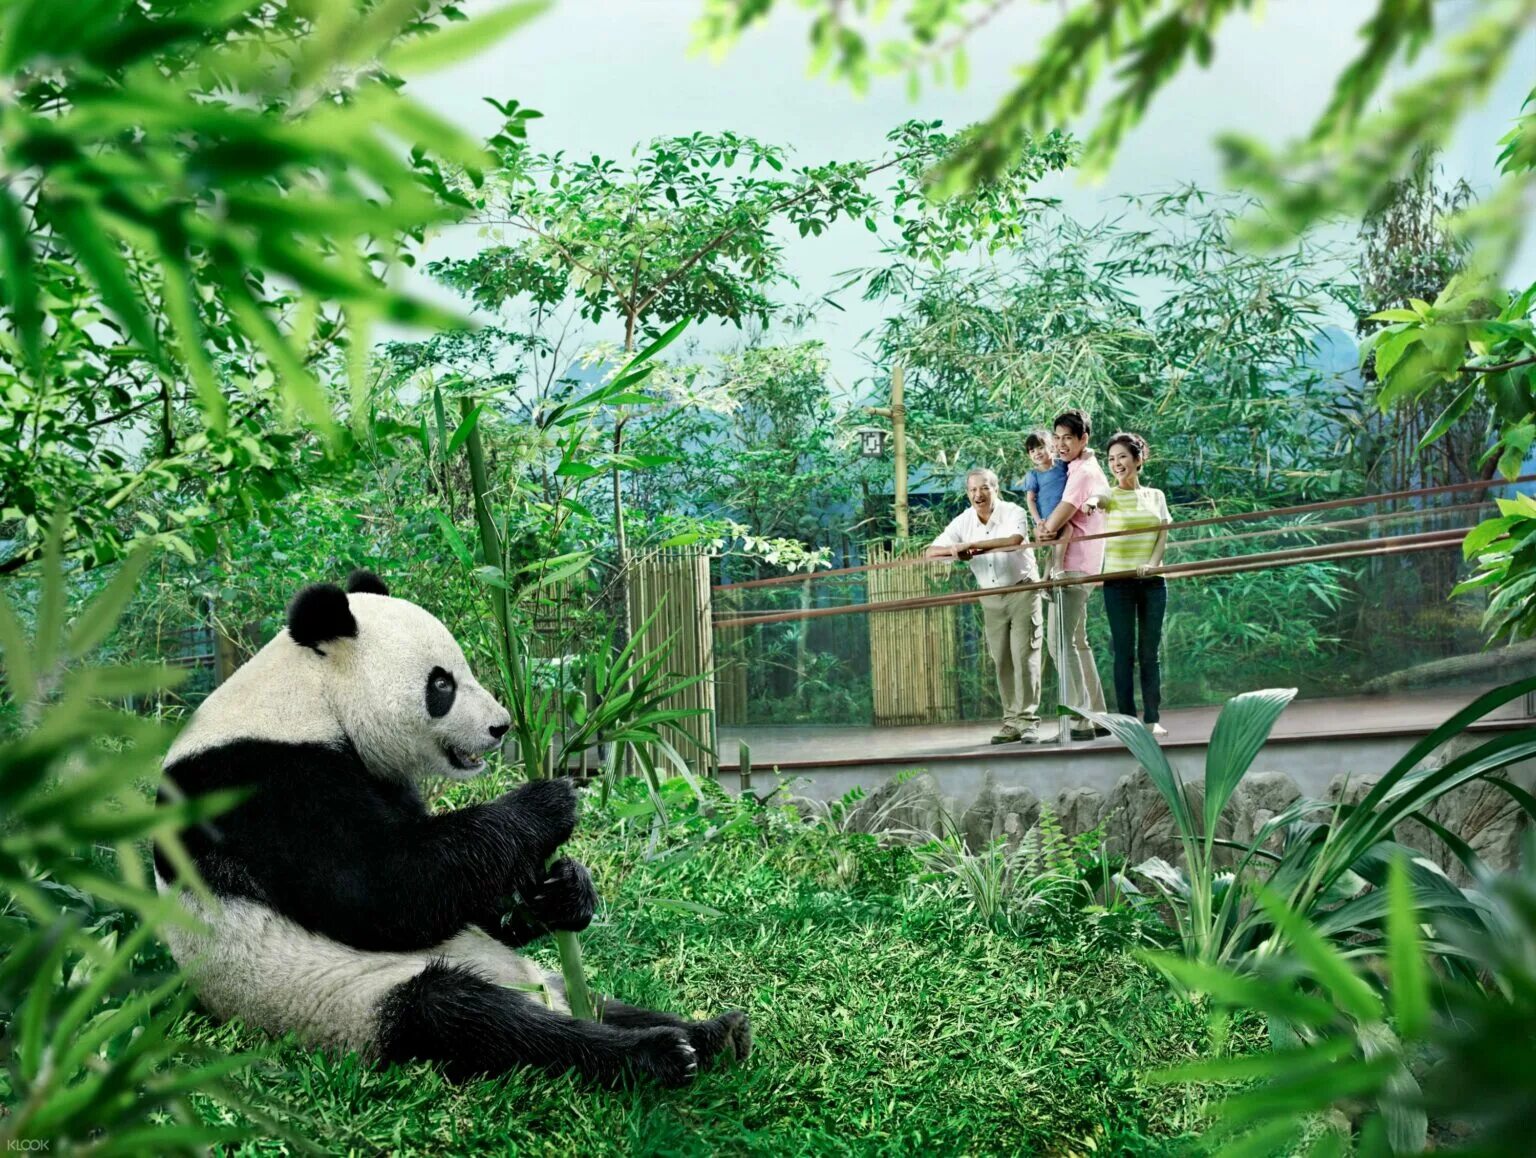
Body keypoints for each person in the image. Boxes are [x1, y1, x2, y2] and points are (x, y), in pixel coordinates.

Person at [925, 467, 1045, 744]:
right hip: (990, 597)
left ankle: (1028, 722)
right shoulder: (963, 521)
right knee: (1002, 658)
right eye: (972, 490)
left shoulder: (1013, 511)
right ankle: (1011, 722)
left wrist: (972, 546)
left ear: (995, 489)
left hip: (1022, 590)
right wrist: (956, 551)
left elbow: (1013, 541)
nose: (978, 494)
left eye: (984, 488)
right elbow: (931, 552)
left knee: (1024, 656)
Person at [1037, 409, 1111, 740]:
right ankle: (1097, 717)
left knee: (1059, 643)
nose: (1061, 444)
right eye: (1058, 437)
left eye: (1069, 437)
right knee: (1078, 642)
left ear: (1084, 439)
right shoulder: (1084, 468)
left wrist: (1044, 528)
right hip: (1086, 566)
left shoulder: (1082, 474)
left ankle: (1079, 720)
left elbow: (1054, 524)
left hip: (1072, 568)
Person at [1101, 432, 1171, 737]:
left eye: (1122, 457)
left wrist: (1153, 564)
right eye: (1111, 459)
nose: (1117, 464)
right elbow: (1094, 500)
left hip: (1153, 581)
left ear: (1138, 459)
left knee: (1149, 653)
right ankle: (1127, 721)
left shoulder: (1156, 495)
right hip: (1117, 582)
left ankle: (1152, 717)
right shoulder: (1107, 495)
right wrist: (1091, 503)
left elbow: (1162, 534)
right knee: (1124, 652)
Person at [1022, 431, 1074, 578]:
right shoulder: (1033, 475)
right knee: (1066, 530)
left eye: (1040, 448)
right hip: (1046, 515)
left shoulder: (1062, 465)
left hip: (1062, 511)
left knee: (1056, 544)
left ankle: (1045, 579)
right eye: (1032, 451)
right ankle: (1058, 567)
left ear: (1052, 447)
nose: (1036, 453)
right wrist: (1038, 521)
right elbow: (1030, 499)